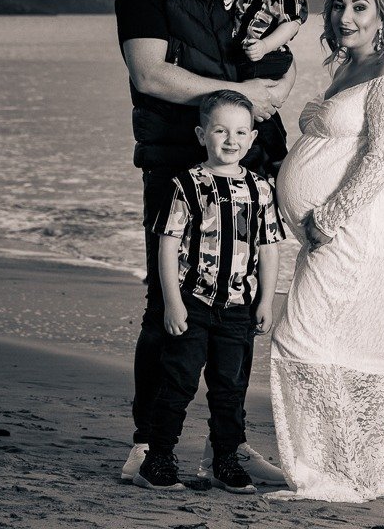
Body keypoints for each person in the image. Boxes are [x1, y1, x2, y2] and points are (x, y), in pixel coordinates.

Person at [114, 0, 290, 485]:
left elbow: (278, 75)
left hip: (249, 169)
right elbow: (150, 74)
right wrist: (244, 93)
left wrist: (266, 96)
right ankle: (146, 448)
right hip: (174, 165)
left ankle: (228, 449)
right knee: (165, 304)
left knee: (238, 310)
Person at [268, 0, 384, 502]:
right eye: (338, 6)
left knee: (302, 339)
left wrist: (330, 216)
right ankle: (348, 468)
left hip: (358, 230)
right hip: (332, 231)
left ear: (383, 15)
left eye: (359, 7)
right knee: (338, 347)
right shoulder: (350, 69)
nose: (344, 16)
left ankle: (330, 473)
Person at [133, 91, 282, 493]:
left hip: (238, 308)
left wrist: (266, 300)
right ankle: (158, 458)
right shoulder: (187, 184)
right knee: (177, 382)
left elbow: (269, 248)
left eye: (239, 132)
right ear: (203, 135)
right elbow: (167, 245)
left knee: (230, 389)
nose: (230, 140)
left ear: (252, 138)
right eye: (220, 130)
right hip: (193, 303)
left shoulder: (261, 191)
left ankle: (225, 460)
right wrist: (172, 303)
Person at [231, 0, 309, 178]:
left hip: (269, 55)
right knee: (246, 103)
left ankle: (276, 157)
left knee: (258, 107)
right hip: (251, 52)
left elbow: (291, 24)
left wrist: (265, 45)